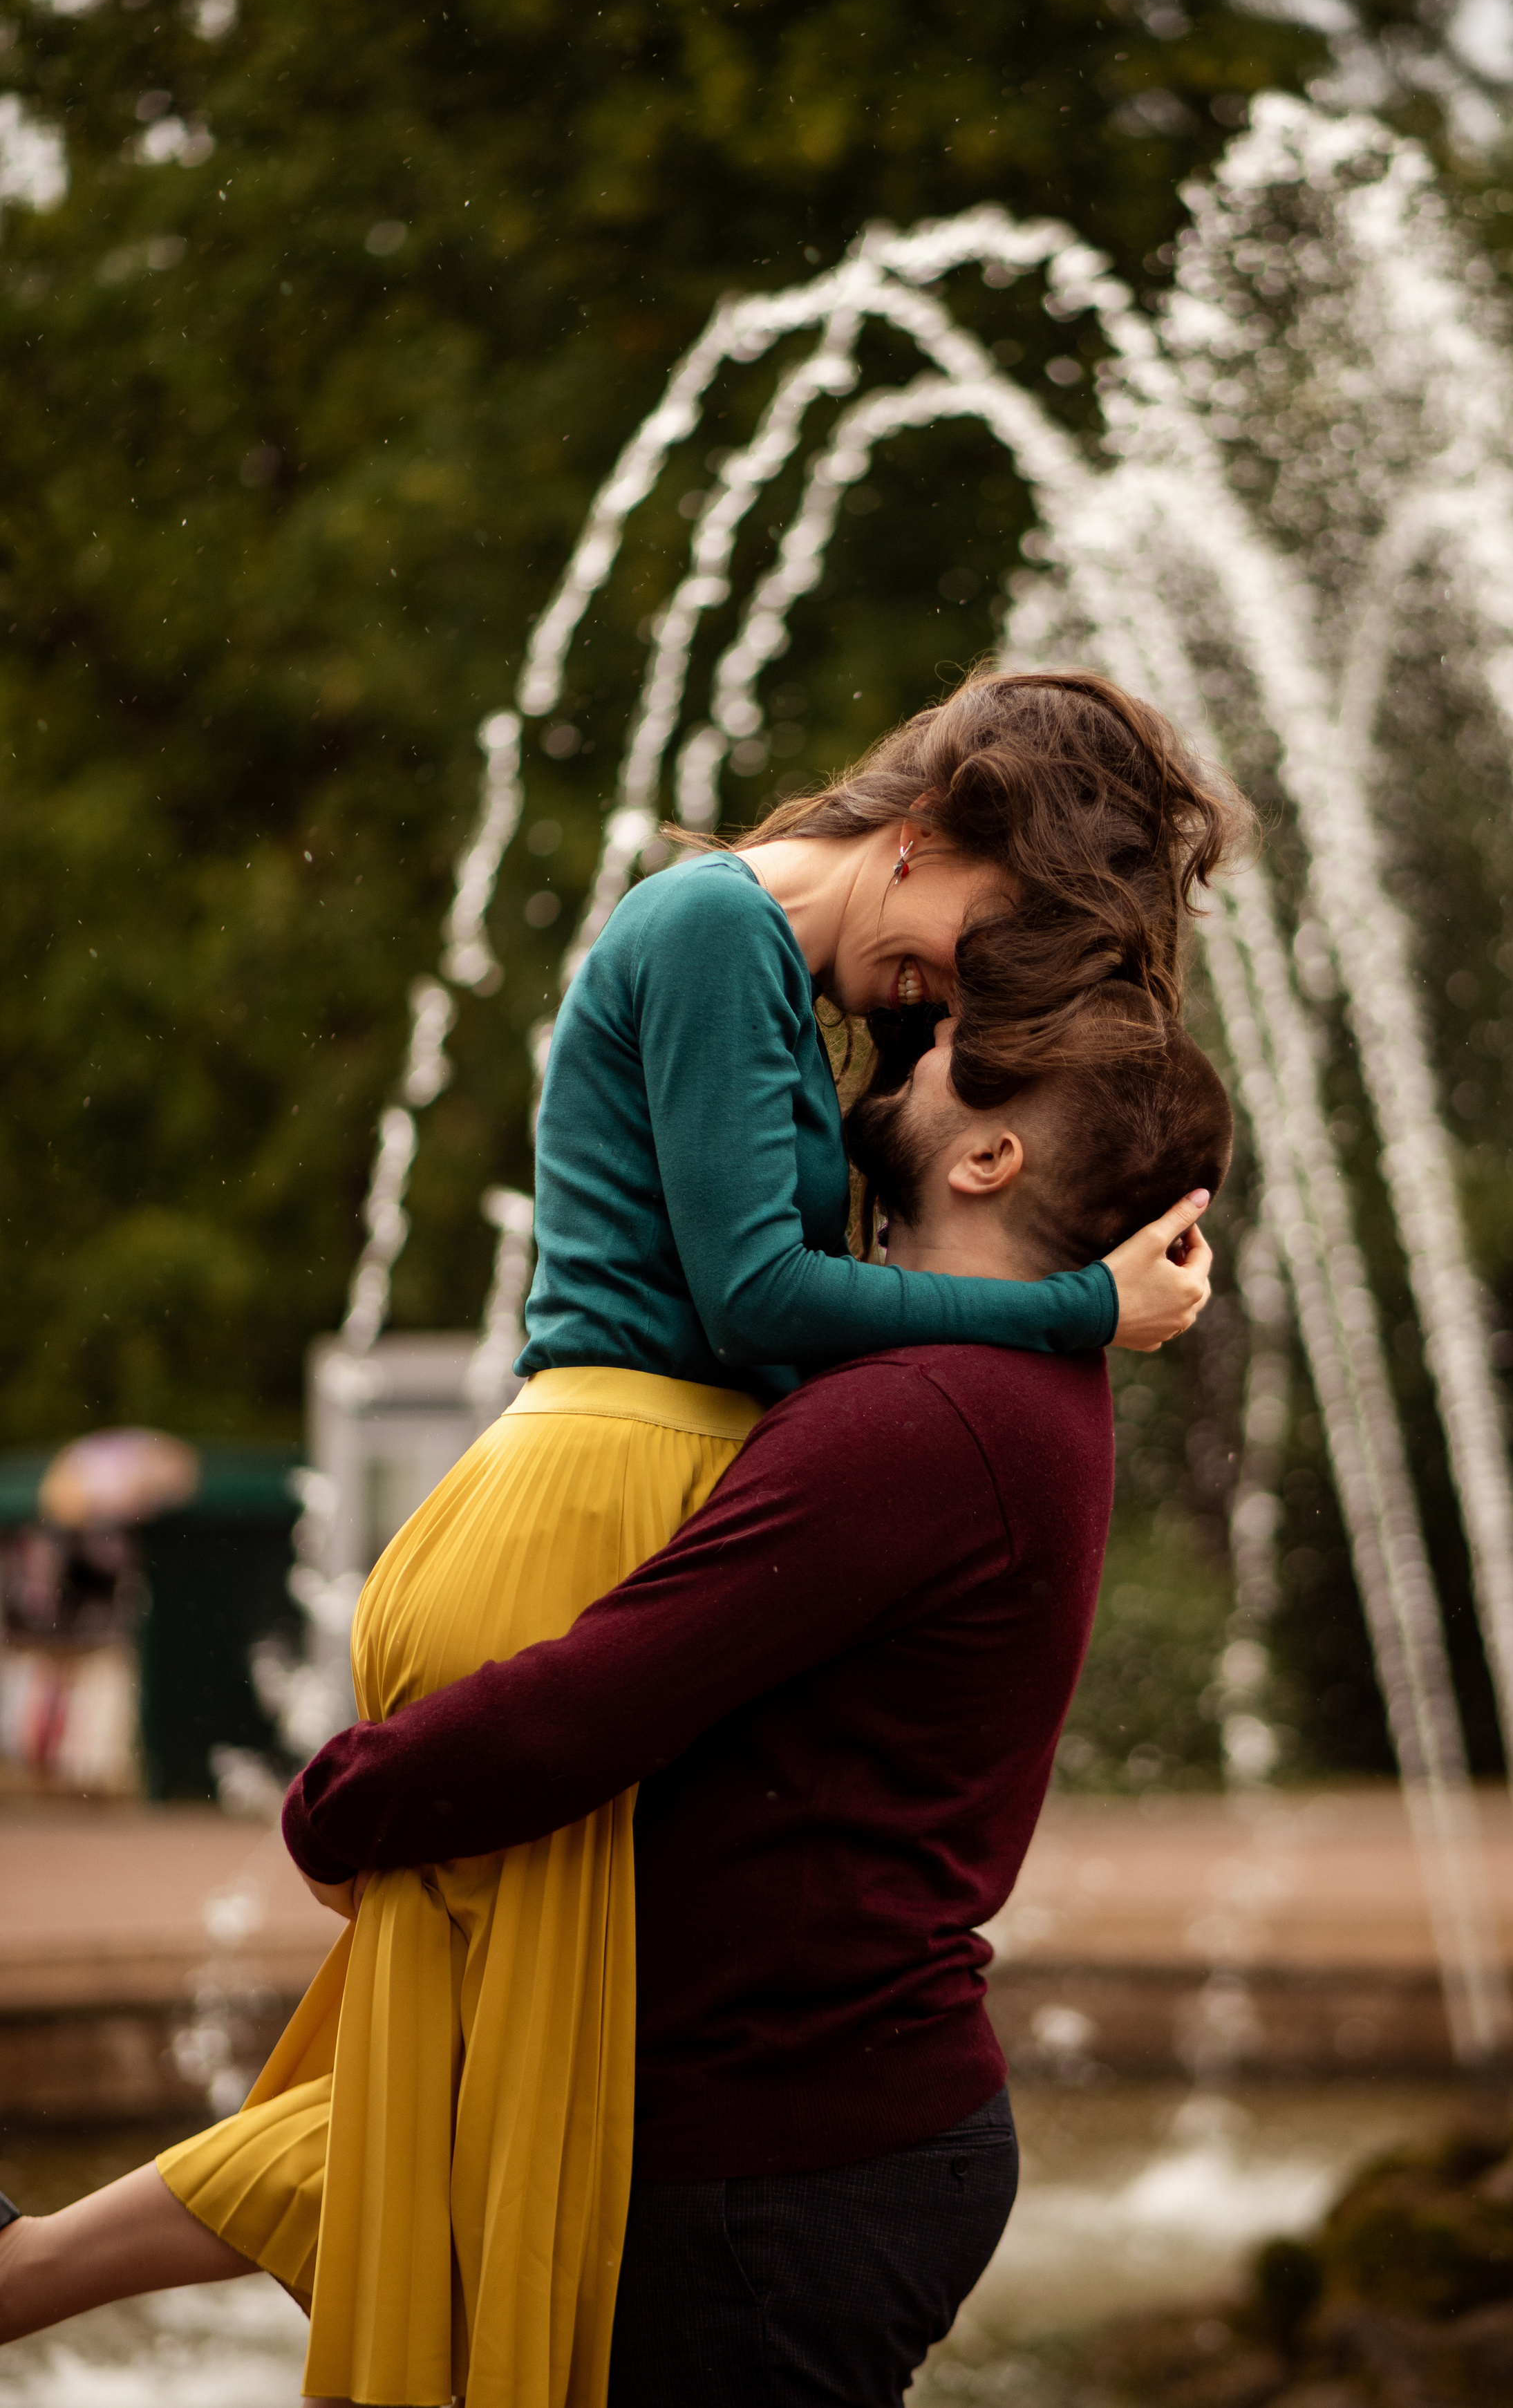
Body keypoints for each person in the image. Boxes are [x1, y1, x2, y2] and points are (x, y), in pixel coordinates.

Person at [0, 986, 1234, 2408]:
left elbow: (602, 1696)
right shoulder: (988, 1378)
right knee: (400, 2104)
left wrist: (344, 1802)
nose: (902, 1044)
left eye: (945, 1049)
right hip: (785, 2115)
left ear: (987, 1160)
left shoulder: (927, 1411)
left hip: (783, 2162)